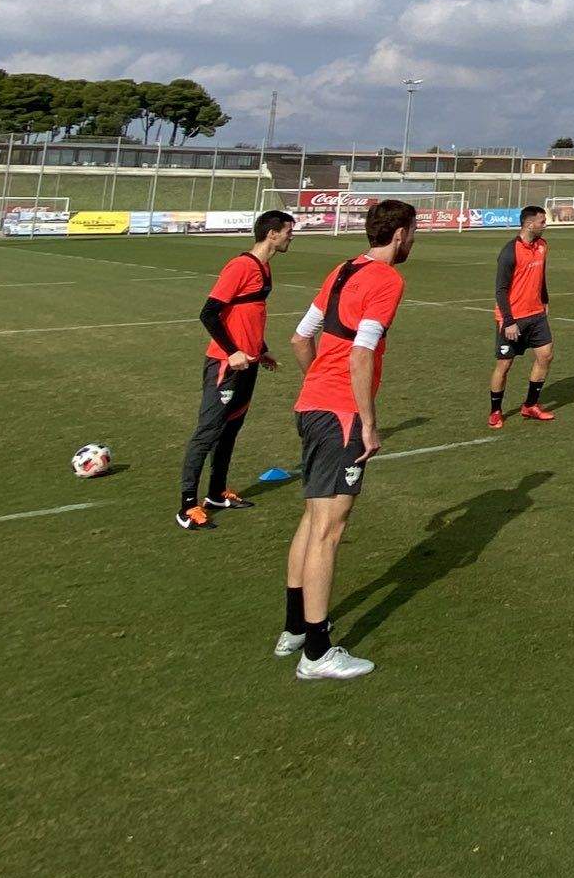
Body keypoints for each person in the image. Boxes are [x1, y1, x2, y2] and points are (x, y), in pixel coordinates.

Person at [279, 197, 416, 679]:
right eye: (412, 232)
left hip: (314, 404)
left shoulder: (342, 270)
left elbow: (299, 338)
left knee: (313, 518)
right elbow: (362, 355)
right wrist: (369, 423)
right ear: (399, 234)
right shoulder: (387, 279)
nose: (412, 240)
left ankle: (295, 627)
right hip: (340, 414)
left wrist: (316, 382)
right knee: (329, 529)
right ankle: (316, 652)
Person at [177, 208, 296, 529]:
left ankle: (216, 493)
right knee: (207, 432)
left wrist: (261, 349)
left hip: (249, 362)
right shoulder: (241, 266)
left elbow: (249, 315)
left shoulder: (265, 269)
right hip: (225, 364)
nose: (291, 236)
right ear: (272, 233)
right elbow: (209, 313)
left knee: (230, 430)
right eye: (288, 230)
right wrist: (233, 352)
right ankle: (187, 505)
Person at [488, 205, 554, 427]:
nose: (545, 225)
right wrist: (508, 321)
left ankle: (530, 405)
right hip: (513, 318)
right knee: (504, 366)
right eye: (542, 222)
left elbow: (541, 276)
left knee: (545, 356)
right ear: (529, 224)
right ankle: (495, 411)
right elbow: (500, 290)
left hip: (536, 314)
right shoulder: (510, 251)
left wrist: (544, 300)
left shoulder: (543, 246)